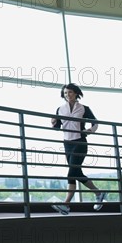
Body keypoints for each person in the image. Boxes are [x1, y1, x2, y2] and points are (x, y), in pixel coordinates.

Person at [50, 83, 107, 215]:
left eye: (70, 92)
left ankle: (66, 204)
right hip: (67, 144)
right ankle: (99, 193)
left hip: (80, 142)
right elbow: (57, 126)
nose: (67, 95)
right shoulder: (60, 109)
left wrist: (89, 131)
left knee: (71, 172)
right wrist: (53, 123)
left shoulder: (83, 108)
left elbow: (95, 122)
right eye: (65, 93)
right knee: (75, 172)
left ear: (76, 93)